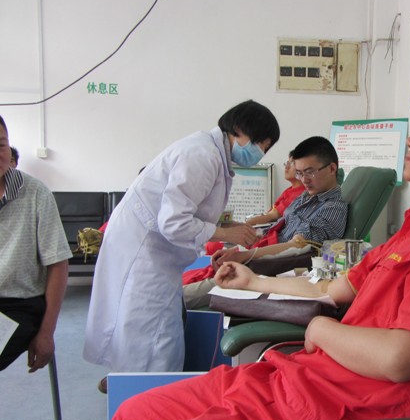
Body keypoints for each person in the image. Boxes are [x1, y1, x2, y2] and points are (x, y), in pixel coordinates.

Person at [85, 85, 410, 420]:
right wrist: (254, 281)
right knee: (133, 414)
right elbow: (333, 288)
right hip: (296, 380)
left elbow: (399, 359)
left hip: (340, 412)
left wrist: (320, 329)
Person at [83, 100, 280, 389]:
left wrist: (227, 229)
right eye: (262, 144)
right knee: (154, 340)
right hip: (147, 255)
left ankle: (131, 383)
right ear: (239, 129)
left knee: (148, 332)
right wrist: (226, 234)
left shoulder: (208, 151)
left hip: (152, 252)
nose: (260, 152)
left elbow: (189, 211)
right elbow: (174, 221)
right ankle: (140, 392)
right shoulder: (203, 155)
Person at [182, 136, 348, 310]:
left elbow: (297, 246)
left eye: (310, 172)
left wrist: (247, 255)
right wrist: (241, 247)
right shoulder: (305, 197)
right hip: (263, 256)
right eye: (299, 173)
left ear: (332, 168)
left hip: (275, 268)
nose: (304, 179)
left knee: (188, 293)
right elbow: (278, 227)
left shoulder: (332, 208)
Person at [0, 115, 72, 373]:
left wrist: (47, 332)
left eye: (1, 145)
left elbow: (58, 264)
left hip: (17, 304)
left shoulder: (35, 193)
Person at [245, 150, 304, 226]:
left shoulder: (300, 194)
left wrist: (247, 223)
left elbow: (273, 216)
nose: (286, 166)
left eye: (292, 163)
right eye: (287, 163)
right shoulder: (291, 190)